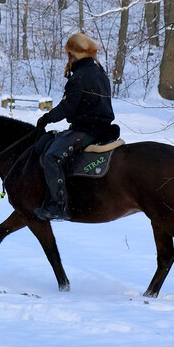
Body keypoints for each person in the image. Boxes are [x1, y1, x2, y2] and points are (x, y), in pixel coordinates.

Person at [34, 33, 115, 221]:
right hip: (103, 127)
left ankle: (59, 205)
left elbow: (68, 106)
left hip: (86, 129)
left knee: (51, 156)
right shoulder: (100, 73)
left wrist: (46, 118)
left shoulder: (80, 77)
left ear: (73, 54)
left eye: (69, 54)